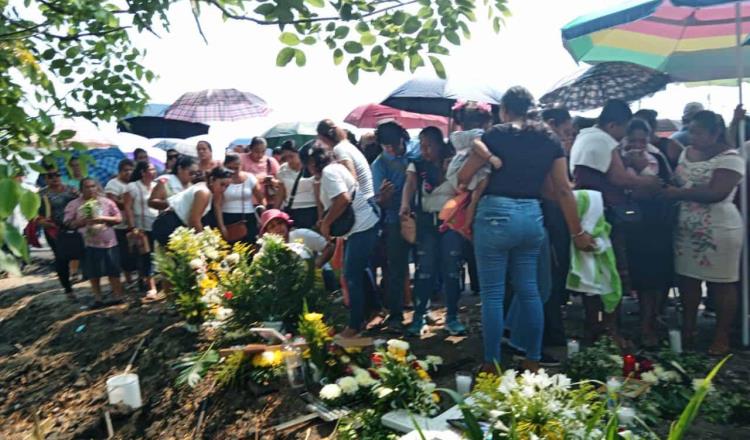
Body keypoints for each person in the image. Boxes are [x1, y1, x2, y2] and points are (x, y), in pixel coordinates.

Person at [458, 86, 594, 372]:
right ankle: (532, 359)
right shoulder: (550, 138)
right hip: (532, 216)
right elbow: (563, 189)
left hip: (495, 215)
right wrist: (578, 232)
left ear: (504, 110)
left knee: (493, 294)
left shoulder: (496, 135)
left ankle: (492, 362)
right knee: (530, 290)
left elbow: (465, 174)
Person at [569, 99, 660, 347]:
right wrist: (648, 182)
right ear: (612, 124)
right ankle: (610, 331)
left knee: (592, 272)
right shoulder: (602, 140)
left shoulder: (584, 136)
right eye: (623, 129)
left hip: (587, 212)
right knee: (612, 273)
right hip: (604, 215)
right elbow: (618, 178)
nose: (624, 135)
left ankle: (595, 326)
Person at [662, 110, 744, 356]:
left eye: (698, 132)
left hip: (718, 229)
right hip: (686, 228)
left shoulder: (731, 158)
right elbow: (680, 181)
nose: (692, 136)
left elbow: (716, 192)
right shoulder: (687, 153)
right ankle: (689, 329)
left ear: (714, 133)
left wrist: (680, 193)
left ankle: (721, 335)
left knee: (722, 284)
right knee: (688, 281)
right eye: (691, 130)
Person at [303, 145, 380, 338]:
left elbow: (343, 199)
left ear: (312, 163)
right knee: (359, 271)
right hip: (362, 225)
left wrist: (327, 223)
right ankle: (374, 311)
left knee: (350, 275)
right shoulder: (336, 168)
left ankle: (355, 325)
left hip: (361, 226)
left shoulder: (329, 172)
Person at [400, 127, 468, 336]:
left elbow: (465, 189)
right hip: (426, 223)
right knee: (424, 271)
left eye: (429, 145)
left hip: (451, 223)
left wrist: (451, 171)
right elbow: (410, 184)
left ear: (440, 144)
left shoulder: (455, 162)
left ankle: (452, 317)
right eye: (421, 145)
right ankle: (419, 316)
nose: (424, 150)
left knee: (451, 270)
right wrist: (404, 204)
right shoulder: (417, 164)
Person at [620, 118, 675, 347]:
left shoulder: (657, 157)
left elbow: (659, 187)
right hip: (630, 224)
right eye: (632, 140)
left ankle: (650, 324)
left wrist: (641, 170)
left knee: (654, 277)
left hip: (655, 225)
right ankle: (640, 324)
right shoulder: (618, 157)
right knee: (638, 278)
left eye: (642, 140)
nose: (637, 145)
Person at [371, 121, 414, 330]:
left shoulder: (416, 151)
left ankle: (421, 311)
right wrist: (384, 197)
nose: (391, 150)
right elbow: (378, 201)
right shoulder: (379, 165)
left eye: (394, 145)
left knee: (427, 267)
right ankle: (396, 315)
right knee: (396, 269)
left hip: (420, 217)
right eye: (386, 146)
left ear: (403, 139)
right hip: (393, 221)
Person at [64, 178, 124, 307]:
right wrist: (83, 221)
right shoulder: (74, 204)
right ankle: (98, 298)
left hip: (109, 241)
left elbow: (118, 218)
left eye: (93, 186)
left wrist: (102, 218)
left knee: (113, 270)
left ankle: (118, 295)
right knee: (93, 272)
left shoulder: (107, 202)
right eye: (87, 187)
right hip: (88, 243)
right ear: (81, 189)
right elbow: (67, 222)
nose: (91, 189)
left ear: (97, 188)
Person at [152, 167, 233, 246]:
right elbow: (194, 221)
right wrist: (204, 244)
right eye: (222, 184)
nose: (223, 189)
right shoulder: (204, 192)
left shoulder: (205, 188)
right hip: (168, 224)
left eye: (227, 186)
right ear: (212, 179)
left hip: (173, 224)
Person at [37, 166, 78, 298]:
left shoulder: (71, 190)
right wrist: (41, 221)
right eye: (51, 176)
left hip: (73, 227)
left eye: (57, 175)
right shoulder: (41, 194)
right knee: (61, 259)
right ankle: (68, 289)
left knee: (79, 254)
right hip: (54, 231)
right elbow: (34, 214)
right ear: (45, 179)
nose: (55, 178)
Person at [316, 119, 375, 204]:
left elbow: (351, 180)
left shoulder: (339, 149)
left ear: (323, 138)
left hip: (363, 201)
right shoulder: (347, 146)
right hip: (368, 197)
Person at [124, 161, 160, 297]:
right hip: (141, 226)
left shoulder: (157, 186)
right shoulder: (132, 187)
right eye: (150, 169)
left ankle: (150, 280)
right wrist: (132, 226)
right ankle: (151, 286)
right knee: (146, 255)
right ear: (143, 172)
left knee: (157, 254)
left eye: (154, 169)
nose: (154, 172)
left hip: (156, 224)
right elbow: (128, 207)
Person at [259, 209, 335, 268]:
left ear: (286, 223)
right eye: (272, 227)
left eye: (280, 223)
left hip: (320, 276)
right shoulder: (267, 248)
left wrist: (316, 265)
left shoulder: (302, 234)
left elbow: (330, 247)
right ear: (267, 233)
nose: (278, 227)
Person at [216, 153, 265, 243]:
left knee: (251, 248)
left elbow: (261, 199)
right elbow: (217, 204)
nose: (233, 171)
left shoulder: (250, 178)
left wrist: (263, 218)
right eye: (230, 168)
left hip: (248, 218)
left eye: (236, 168)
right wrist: (221, 226)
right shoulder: (221, 180)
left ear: (241, 166)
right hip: (228, 218)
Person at [104, 159, 137, 286]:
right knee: (124, 253)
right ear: (119, 172)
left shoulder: (134, 183)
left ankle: (139, 277)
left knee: (137, 250)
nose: (128, 172)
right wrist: (128, 202)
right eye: (125, 170)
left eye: (130, 170)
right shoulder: (113, 184)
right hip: (120, 224)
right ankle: (128, 278)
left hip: (135, 221)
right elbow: (114, 203)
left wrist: (126, 201)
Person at [275, 140, 319, 229]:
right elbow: (280, 193)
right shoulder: (283, 170)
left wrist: (321, 216)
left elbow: (318, 193)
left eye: (291, 156)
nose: (289, 160)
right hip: (291, 211)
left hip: (311, 210)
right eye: (285, 157)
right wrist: (275, 211)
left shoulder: (310, 167)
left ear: (299, 153)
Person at [240, 137, 280, 206]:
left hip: (267, 201)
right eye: (256, 151)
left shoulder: (270, 161)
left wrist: (272, 181)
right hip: (245, 203)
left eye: (263, 151)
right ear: (250, 149)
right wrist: (257, 179)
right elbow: (237, 178)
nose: (260, 155)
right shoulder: (241, 159)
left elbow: (280, 183)